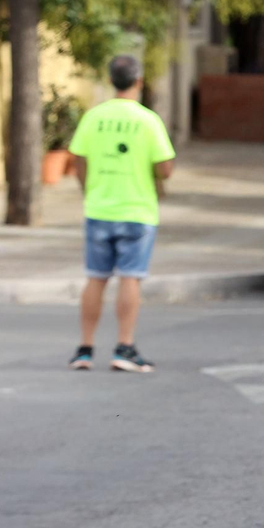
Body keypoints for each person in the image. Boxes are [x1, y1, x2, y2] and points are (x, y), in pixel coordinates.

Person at [65, 55, 175, 373]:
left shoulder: (93, 117)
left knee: (95, 278)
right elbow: (165, 169)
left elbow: (78, 160)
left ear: (111, 80)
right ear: (139, 82)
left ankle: (84, 349)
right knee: (130, 277)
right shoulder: (148, 120)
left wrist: (89, 188)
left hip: (99, 207)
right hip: (138, 210)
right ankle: (124, 347)